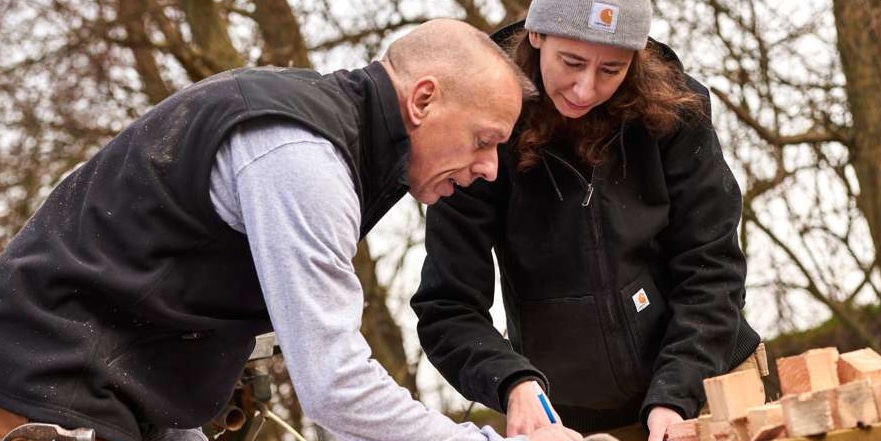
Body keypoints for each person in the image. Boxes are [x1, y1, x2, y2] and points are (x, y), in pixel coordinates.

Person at [0, 18, 586, 441]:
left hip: (110, 395)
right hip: (45, 396)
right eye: (484, 140)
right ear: (424, 99)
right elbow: (335, 388)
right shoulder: (302, 157)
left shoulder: (330, 143)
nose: (488, 168)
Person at [411, 2, 765, 441]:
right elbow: (447, 305)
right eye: (571, 62)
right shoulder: (481, 131)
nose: (584, 89)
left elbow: (711, 268)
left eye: (610, 70)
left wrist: (677, 393)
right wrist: (512, 382)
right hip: (575, 419)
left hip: (709, 383)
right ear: (537, 35)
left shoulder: (677, 113)